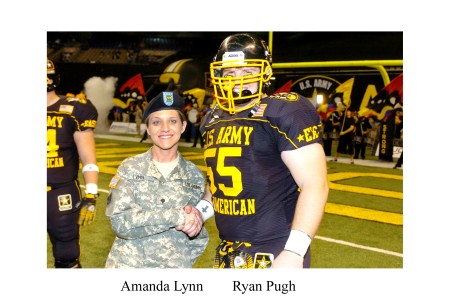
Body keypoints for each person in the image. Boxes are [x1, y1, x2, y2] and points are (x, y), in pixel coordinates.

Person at [199, 33, 328, 268]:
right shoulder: (214, 117)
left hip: (274, 249)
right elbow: (220, 179)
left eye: (247, 73)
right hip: (228, 249)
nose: (237, 80)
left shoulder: (283, 110)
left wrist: (294, 251)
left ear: (264, 73)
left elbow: (315, 185)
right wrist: (200, 212)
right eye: (230, 73)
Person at [105, 91, 210, 268]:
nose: (165, 128)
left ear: (183, 126)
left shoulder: (194, 176)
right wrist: (177, 216)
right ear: (148, 128)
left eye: (172, 121)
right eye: (156, 122)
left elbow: (197, 236)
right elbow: (120, 223)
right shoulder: (129, 168)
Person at [47, 59, 99, 268]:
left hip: (60, 192)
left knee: (67, 254)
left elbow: (88, 157)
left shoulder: (73, 109)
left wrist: (91, 194)